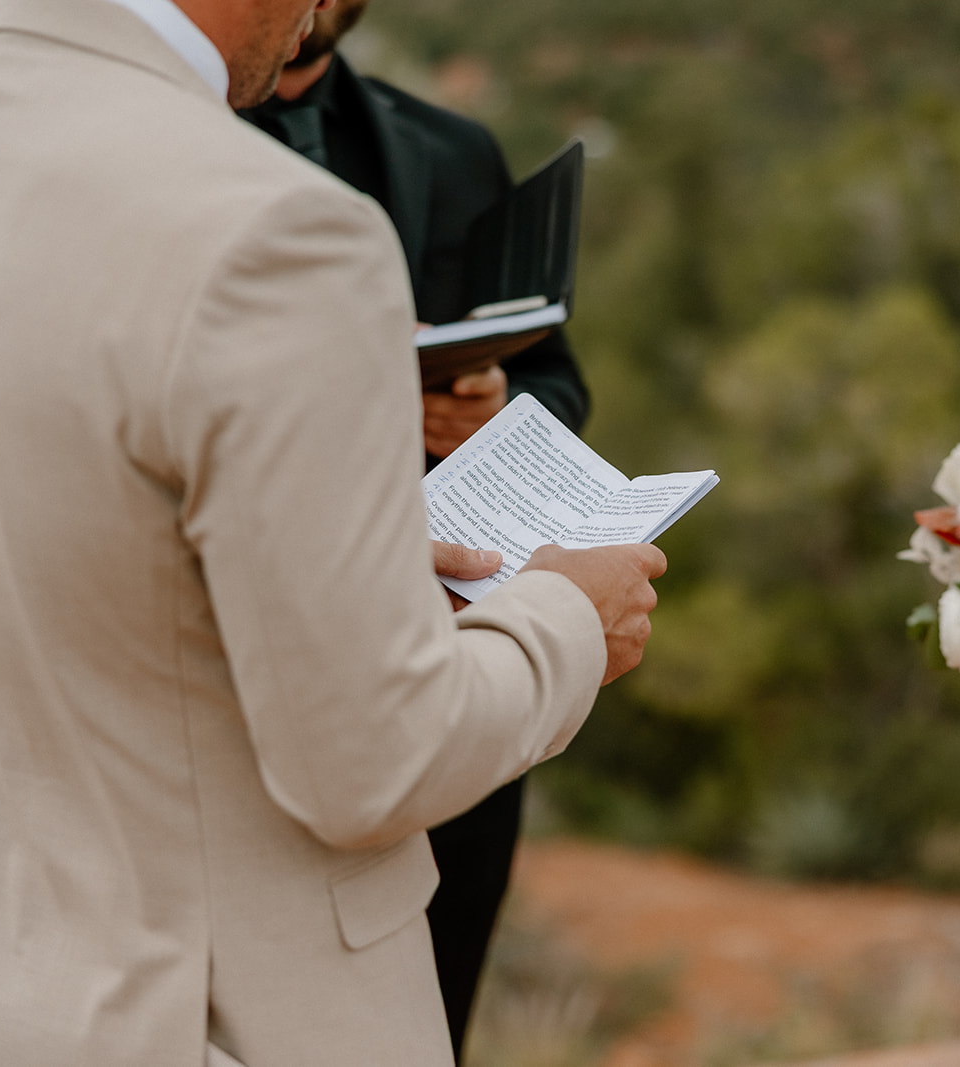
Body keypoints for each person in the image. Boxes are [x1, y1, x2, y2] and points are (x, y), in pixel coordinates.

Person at [0, 0, 666, 1064]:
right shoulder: (277, 228)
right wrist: (566, 620)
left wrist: (358, 568)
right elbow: (372, 761)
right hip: (205, 1015)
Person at [237, 4, 584, 1055]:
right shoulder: (173, 149)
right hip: (265, 664)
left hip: (461, 653)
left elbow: (556, 377)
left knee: (439, 1008)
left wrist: (491, 406)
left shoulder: (453, 148)